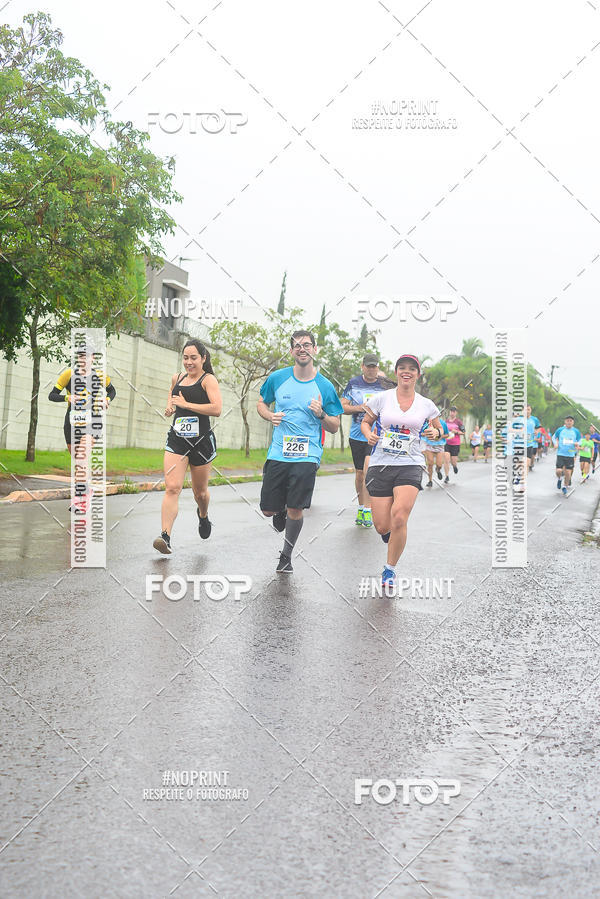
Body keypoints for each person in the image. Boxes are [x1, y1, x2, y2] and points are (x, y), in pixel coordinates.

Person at [256, 330, 343, 573]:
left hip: (308, 454)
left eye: (306, 345)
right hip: (278, 452)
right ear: (292, 351)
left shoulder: (324, 387)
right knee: (267, 509)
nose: (301, 349)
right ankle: (280, 508)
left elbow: (334, 426)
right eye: (296, 345)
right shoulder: (278, 378)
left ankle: (286, 555)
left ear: (315, 350)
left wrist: (321, 414)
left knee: (297, 508)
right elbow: (261, 402)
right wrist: (269, 415)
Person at [361, 354, 444, 587]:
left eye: (412, 369)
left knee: (399, 515)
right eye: (402, 368)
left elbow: (439, 430)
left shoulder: (426, 404)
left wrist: (434, 433)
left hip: (411, 463)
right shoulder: (382, 398)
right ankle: (390, 535)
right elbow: (365, 422)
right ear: (396, 372)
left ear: (418, 374)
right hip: (381, 464)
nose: (406, 372)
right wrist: (369, 435)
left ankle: (390, 570)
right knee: (381, 525)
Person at [153, 340, 222, 554]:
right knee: (172, 487)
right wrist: (170, 406)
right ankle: (165, 536)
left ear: (203, 358)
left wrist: (186, 405)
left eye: (193, 358)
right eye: (185, 358)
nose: (188, 362)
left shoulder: (208, 380)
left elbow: (217, 408)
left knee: (200, 493)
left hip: (201, 442)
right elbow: (172, 395)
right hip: (178, 440)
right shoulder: (178, 377)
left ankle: (203, 516)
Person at [49, 345, 116, 510]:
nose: (83, 359)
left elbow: (112, 391)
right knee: (79, 464)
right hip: (71, 423)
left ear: (92, 358)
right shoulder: (68, 375)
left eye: (86, 356)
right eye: (80, 356)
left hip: (92, 422)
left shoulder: (99, 375)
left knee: (81, 458)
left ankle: (80, 499)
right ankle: (86, 490)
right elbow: (52, 395)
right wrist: (67, 397)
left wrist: (106, 400)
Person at [341, 353, 388, 527]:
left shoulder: (384, 386)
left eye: (374, 366)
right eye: (368, 366)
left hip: (375, 435)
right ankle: (361, 507)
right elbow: (343, 407)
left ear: (378, 367)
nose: (371, 369)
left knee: (368, 470)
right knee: (360, 473)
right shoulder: (354, 383)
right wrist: (360, 408)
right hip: (356, 435)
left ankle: (368, 510)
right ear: (362, 367)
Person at [553, 415, 581, 496]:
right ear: (565, 422)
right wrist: (556, 444)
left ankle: (564, 486)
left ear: (573, 422)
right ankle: (559, 479)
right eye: (567, 420)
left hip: (570, 454)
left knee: (568, 472)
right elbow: (554, 437)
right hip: (561, 453)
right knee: (558, 471)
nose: (569, 422)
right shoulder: (560, 430)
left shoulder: (576, 431)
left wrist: (577, 443)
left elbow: (580, 440)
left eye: (570, 421)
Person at [422, 416, 449, 486]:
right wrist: (427, 434)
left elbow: (447, 434)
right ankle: (430, 480)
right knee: (430, 463)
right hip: (429, 445)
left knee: (439, 464)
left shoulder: (443, 423)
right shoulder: (427, 423)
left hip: (439, 446)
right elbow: (421, 433)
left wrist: (440, 436)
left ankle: (438, 470)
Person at [444, 406, 464, 480]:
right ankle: (446, 476)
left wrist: (456, 432)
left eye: (454, 412)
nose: (452, 413)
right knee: (446, 460)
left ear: (456, 413)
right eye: (451, 411)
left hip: (455, 444)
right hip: (447, 443)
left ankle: (455, 466)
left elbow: (463, 432)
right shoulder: (446, 421)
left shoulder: (459, 422)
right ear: (449, 412)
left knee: (453, 461)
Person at [525, 405, 540, 471]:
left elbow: (539, 427)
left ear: (531, 410)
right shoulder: (518, 419)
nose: (527, 411)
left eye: (528, 409)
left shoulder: (534, 419)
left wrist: (537, 431)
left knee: (527, 464)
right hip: (519, 444)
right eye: (525, 409)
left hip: (530, 444)